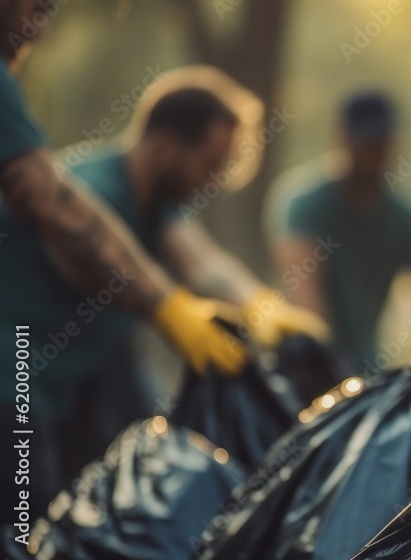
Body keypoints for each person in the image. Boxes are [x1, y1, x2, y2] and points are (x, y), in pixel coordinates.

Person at [0, 2, 248, 525]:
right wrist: (166, 307)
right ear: (163, 146)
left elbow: (205, 264)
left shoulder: (158, 209)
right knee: (23, 520)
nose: (213, 181)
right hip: (14, 379)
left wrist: (266, 312)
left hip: (53, 389)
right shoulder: (99, 188)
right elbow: (73, 247)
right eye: (209, 164)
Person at [267, 91, 411, 373]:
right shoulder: (306, 202)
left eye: (382, 143)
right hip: (303, 366)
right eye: (367, 143)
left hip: (366, 365)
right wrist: (329, 368)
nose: (375, 152)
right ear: (342, 138)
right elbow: (305, 298)